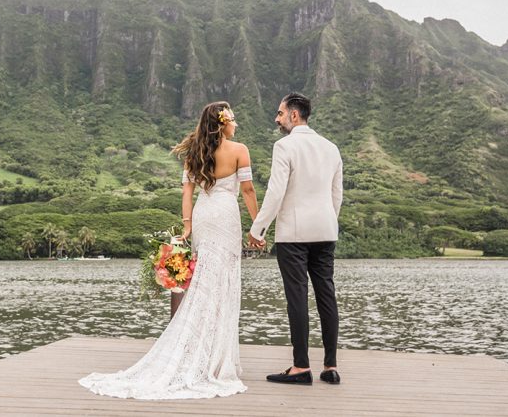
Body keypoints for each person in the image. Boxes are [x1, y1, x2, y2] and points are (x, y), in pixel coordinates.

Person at [79, 101, 260, 399]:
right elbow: (248, 191)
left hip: (204, 216)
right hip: (226, 218)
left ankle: (198, 351)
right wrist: (258, 225)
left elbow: (187, 192)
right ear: (223, 122)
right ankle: (214, 360)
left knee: (203, 283)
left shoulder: (195, 153)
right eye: (234, 119)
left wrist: (187, 226)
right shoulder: (240, 150)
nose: (236, 124)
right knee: (222, 283)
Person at [247, 92, 343, 386]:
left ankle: (301, 366)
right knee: (327, 294)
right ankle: (330, 366)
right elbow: (335, 194)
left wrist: (257, 229)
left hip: (294, 234)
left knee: (297, 297)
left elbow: (276, 192)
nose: (277, 119)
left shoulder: (284, 146)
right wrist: (329, 220)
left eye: (280, 113)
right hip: (326, 230)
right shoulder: (331, 148)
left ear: (294, 115)